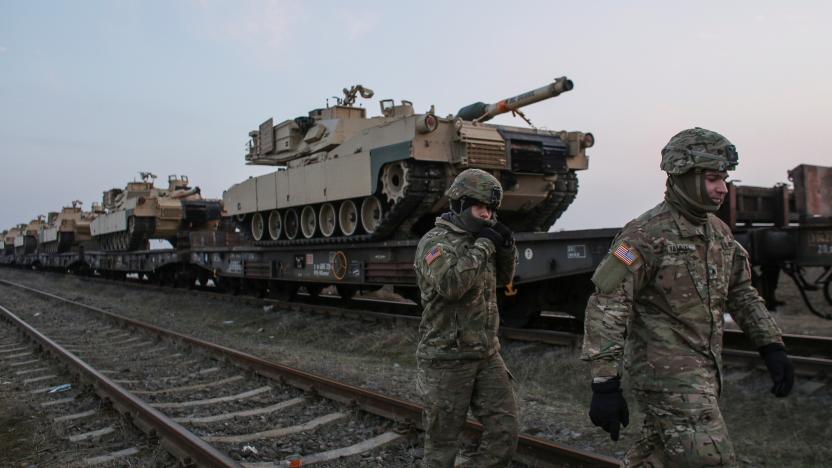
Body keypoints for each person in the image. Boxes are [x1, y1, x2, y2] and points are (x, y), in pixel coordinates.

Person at [581, 128, 795, 467]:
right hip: (666, 378)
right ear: (682, 176)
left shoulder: (719, 233)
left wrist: (771, 346)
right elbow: (608, 304)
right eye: (712, 178)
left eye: (724, 178)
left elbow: (741, 292)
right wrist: (605, 382)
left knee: (657, 456)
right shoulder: (645, 234)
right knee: (712, 458)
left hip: (706, 373)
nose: (722, 188)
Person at [414, 168, 519, 467]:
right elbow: (451, 286)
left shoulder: (479, 239)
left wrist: (507, 248)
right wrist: (485, 244)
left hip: (486, 354)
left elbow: (504, 280)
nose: (487, 215)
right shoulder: (435, 243)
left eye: (491, 209)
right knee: (442, 446)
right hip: (447, 359)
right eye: (481, 207)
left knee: (505, 432)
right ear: (460, 204)